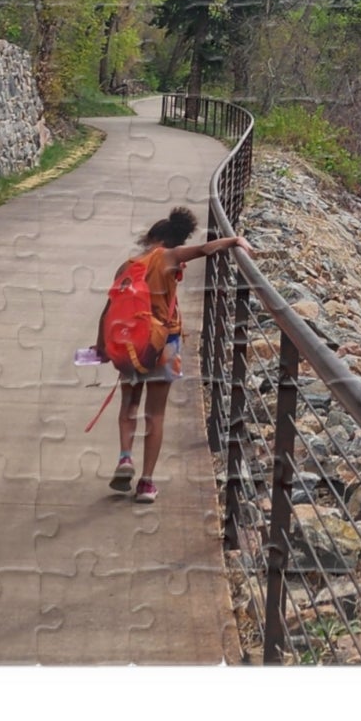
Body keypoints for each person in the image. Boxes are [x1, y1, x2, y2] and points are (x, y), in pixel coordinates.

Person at [108, 206, 251, 502]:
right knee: (156, 415)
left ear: (153, 237)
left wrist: (103, 348)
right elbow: (207, 248)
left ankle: (125, 458)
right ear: (175, 241)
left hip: (130, 346)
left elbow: (110, 311)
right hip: (164, 345)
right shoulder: (170, 257)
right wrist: (236, 240)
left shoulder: (127, 265)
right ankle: (146, 483)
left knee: (129, 407)